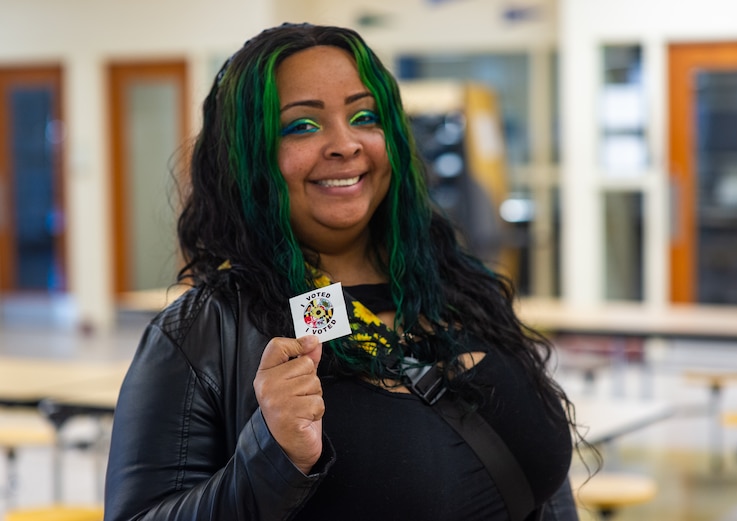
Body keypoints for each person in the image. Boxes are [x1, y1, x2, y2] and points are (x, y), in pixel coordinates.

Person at [105, 22, 585, 521]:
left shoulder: (460, 287)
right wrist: (271, 458)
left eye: (364, 117)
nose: (345, 144)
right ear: (247, 156)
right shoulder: (202, 335)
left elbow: (540, 485)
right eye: (302, 126)